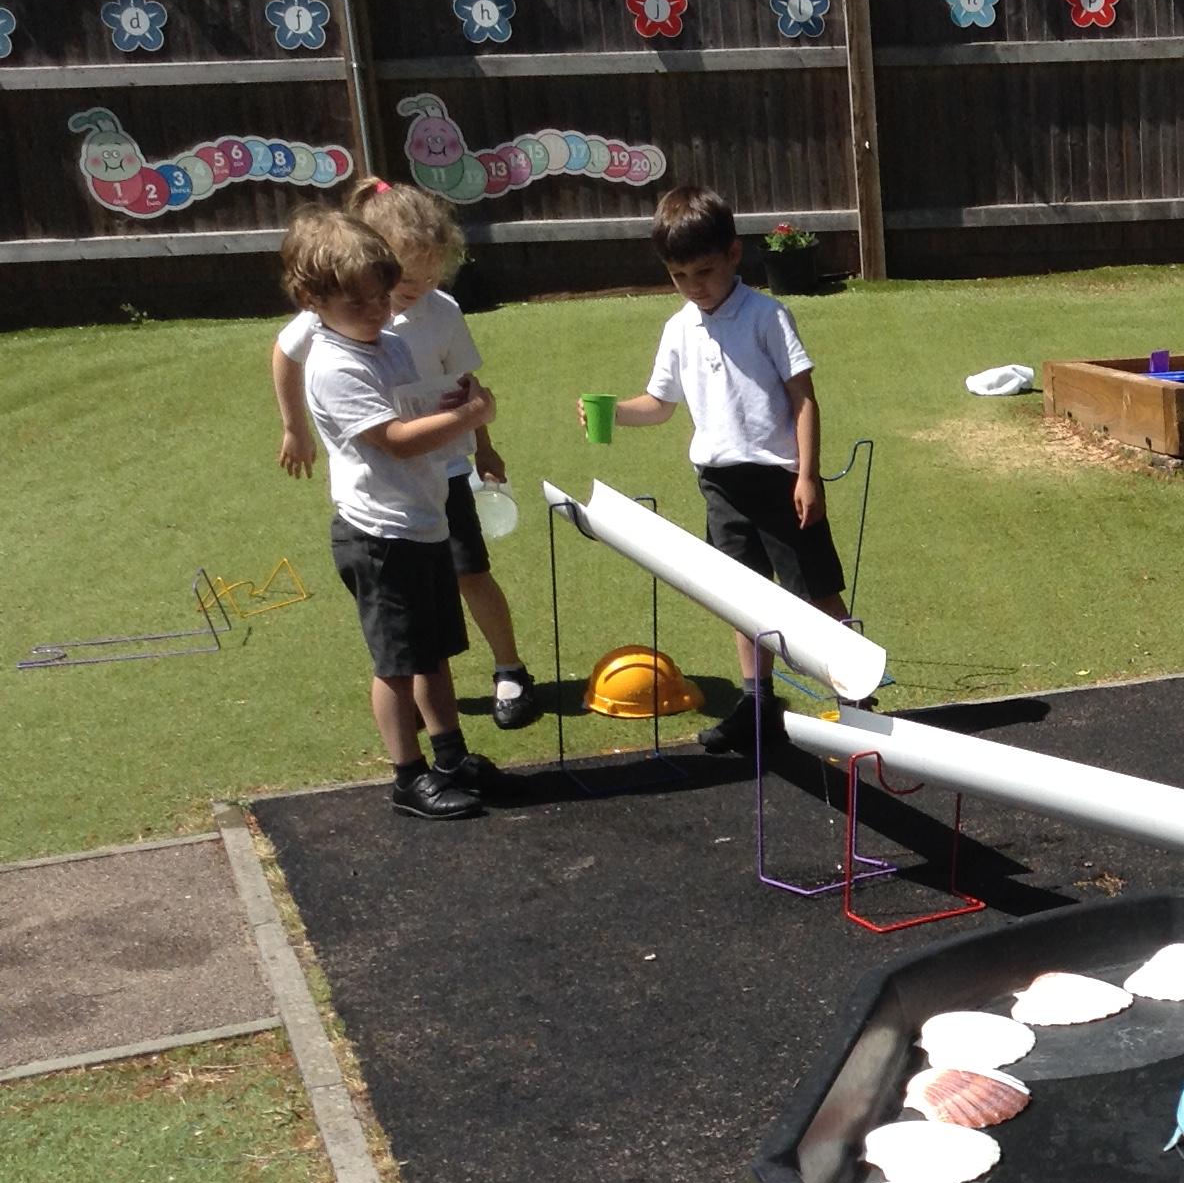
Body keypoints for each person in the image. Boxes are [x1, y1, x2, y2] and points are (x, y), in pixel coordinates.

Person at [593, 184, 851, 753]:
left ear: (734, 255)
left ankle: (857, 699)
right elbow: (659, 404)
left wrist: (808, 475)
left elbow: (803, 398)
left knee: (816, 592)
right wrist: (613, 411)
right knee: (742, 598)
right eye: (679, 276)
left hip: (780, 481)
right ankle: (758, 704)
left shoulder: (766, 316)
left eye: (704, 272)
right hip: (720, 485)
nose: (694, 286)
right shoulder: (679, 328)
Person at [272, 179, 537, 731]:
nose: (416, 290)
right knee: (407, 614)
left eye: (431, 278)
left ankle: (509, 668)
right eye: (409, 280)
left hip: (445, 471)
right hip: (386, 495)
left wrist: (484, 447)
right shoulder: (336, 313)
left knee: (469, 572)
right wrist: (294, 427)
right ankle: (421, 722)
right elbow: (286, 353)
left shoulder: (440, 313)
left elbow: (464, 384)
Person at [282, 207, 500, 819]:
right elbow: (396, 440)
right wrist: (471, 415)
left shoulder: (390, 345)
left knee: (432, 652)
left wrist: (456, 397)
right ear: (312, 301)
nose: (376, 310)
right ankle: (408, 776)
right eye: (357, 302)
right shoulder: (335, 365)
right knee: (398, 664)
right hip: (378, 534)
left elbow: (417, 406)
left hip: (422, 520)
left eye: (381, 297)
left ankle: (450, 756)